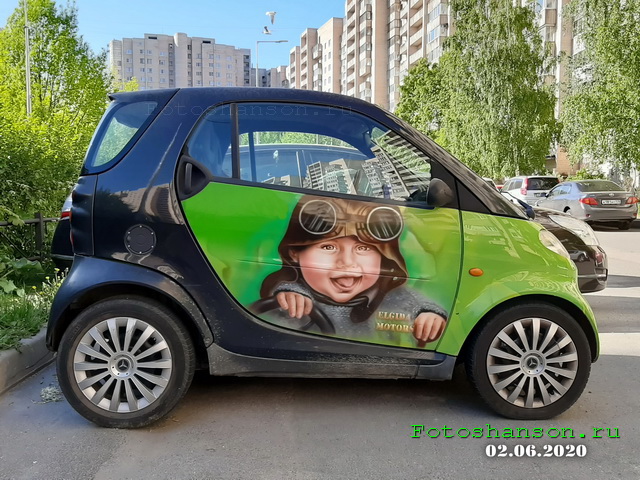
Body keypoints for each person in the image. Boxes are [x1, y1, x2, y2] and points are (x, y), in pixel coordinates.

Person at [251, 195, 447, 348]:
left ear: (384, 258)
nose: (346, 262)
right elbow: (284, 294)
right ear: (294, 253)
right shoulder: (293, 297)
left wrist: (429, 315)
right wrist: (289, 296)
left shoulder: (394, 297)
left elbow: (416, 304)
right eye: (328, 247)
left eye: (363, 248)